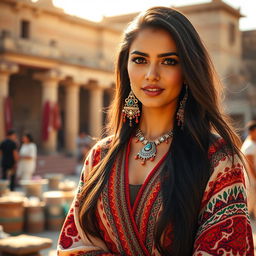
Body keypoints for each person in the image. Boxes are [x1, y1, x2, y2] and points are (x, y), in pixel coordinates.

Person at [57, 7, 254, 255]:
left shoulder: (218, 159)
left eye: (169, 61)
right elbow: (73, 245)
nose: (151, 75)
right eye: (140, 60)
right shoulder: (100, 156)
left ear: (187, 71)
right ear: (125, 67)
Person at [241, 120, 256, 219]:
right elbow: (250, 166)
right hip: (251, 179)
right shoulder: (249, 146)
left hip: (252, 179)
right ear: (252, 131)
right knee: (250, 201)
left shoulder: (252, 142)